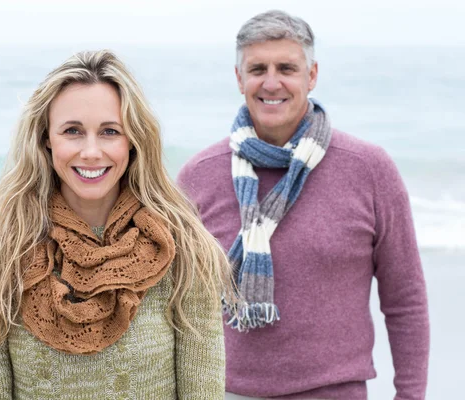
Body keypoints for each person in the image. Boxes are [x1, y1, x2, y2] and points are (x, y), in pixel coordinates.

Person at [177, 10, 429, 400]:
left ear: (311, 76)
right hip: (223, 391)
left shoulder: (369, 169)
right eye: (258, 68)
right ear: (239, 78)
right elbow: (174, 304)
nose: (272, 82)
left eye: (287, 68)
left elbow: (405, 300)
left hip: (335, 392)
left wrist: (410, 395)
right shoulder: (198, 176)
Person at [0, 50, 232, 399]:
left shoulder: (184, 251)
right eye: (72, 131)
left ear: (132, 141)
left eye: (109, 131)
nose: (91, 151)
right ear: (47, 138)